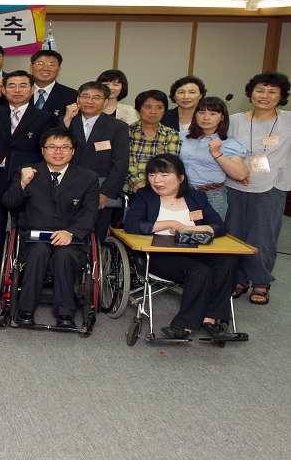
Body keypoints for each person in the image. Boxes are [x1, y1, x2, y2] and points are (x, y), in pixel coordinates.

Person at [123, 154, 236, 339]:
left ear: (181, 178)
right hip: (160, 255)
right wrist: (168, 224)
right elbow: (131, 225)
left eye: (164, 175)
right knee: (200, 271)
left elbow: (220, 227)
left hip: (194, 250)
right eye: (152, 175)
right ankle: (184, 326)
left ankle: (211, 319)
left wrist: (199, 229)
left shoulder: (196, 197)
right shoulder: (145, 196)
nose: (157, 180)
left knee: (228, 260)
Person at [2, 127, 100, 328]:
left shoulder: (87, 177)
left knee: (64, 255)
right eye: (52, 147)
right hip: (35, 237)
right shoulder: (27, 171)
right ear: (43, 149)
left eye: (64, 147)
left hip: (70, 237)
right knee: (38, 252)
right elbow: (8, 203)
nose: (58, 152)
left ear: (73, 151)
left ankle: (65, 312)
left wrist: (70, 232)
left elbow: (90, 213)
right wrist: (22, 183)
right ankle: (26, 309)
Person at [0, 70, 58, 265]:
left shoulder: (44, 117)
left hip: (26, 178)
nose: (17, 90)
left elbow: (46, 148)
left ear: (33, 88)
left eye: (23, 85)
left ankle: (23, 264)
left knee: (24, 221)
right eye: (12, 86)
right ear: (4, 89)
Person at [226, 71, 291, 306]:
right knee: (234, 233)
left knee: (264, 237)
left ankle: (261, 282)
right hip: (236, 184)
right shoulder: (234, 121)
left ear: (281, 96)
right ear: (251, 93)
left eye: (272, 92)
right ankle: (239, 279)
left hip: (272, 185)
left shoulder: (288, 121)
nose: (265, 96)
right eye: (260, 90)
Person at [61, 81, 130, 240]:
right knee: (65, 233)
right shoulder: (66, 122)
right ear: (78, 100)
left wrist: (105, 192)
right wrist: (66, 122)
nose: (90, 101)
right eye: (85, 96)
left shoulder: (117, 127)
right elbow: (54, 150)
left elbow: (121, 164)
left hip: (100, 189)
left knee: (96, 236)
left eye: (96, 97)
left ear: (106, 101)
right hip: (66, 187)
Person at [179, 97, 248, 219]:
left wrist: (217, 153)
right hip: (182, 193)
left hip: (211, 195)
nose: (206, 117)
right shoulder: (182, 137)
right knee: (180, 230)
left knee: (209, 233)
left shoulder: (228, 143)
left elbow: (241, 175)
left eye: (213, 114)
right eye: (202, 112)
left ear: (222, 117)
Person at [126, 90, 181, 195]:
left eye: (159, 107)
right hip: (130, 190)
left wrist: (154, 185)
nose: (153, 112)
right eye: (148, 107)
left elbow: (169, 165)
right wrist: (135, 183)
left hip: (161, 191)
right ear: (137, 110)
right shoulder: (126, 132)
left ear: (165, 110)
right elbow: (124, 162)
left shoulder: (171, 135)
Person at [29, 50, 77, 119]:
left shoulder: (72, 96)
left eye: (51, 65)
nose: (45, 68)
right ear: (31, 68)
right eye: (40, 64)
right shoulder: (20, 92)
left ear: (59, 69)